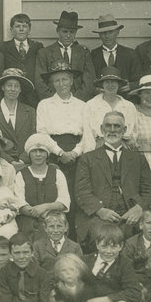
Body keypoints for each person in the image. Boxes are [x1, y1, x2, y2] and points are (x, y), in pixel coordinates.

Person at [74, 112, 151, 248]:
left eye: (117, 126)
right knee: (104, 235)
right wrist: (100, 210)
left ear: (124, 130)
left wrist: (139, 207)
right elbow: (82, 192)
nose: (112, 130)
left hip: (131, 212)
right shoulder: (87, 159)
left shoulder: (138, 159)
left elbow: (150, 190)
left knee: (145, 233)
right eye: (108, 126)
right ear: (101, 129)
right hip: (98, 215)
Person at [35, 62, 96, 216]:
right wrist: (60, 153)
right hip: (53, 153)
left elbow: (87, 134)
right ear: (52, 83)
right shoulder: (45, 105)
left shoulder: (83, 106)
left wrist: (75, 153)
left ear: (72, 80)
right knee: (55, 192)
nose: (61, 84)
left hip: (77, 154)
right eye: (57, 80)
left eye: (65, 79)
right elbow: (42, 133)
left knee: (77, 192)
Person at [81, 222, 142, 302]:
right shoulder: (86, 261)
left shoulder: (124, 264)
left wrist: (107, 299)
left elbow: (134, 292)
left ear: (121, 246)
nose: (109, 251)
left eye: (114, 247)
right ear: (97, 245)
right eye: (104, 246)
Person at [15, 134, 71, 237]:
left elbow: (64, 201)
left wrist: (46, 208)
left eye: (41, 151)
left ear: (47, 154)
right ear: (29, 154)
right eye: (34, 151)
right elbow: (20, 204)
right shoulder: (21, 175)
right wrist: (38, 213)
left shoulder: (57, 173)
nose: (38, 154)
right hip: (28, 221)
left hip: (54, 219)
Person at [0, 233, 51, 302]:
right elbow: (5, 301)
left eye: (25, 252)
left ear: (32, 253)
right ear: (10, 255)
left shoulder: (42, 274)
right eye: (17, 253)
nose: (21, 257)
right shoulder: (4, 273)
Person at [35, 10, 96, 100]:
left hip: (78, 101)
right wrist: (54, 101)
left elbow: (89, 81)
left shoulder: (83, 52)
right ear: (58, 31)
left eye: (72, 32)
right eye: (65, 31)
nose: (68, 35)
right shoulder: (44, 53)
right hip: (53, 101)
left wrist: (76, 100)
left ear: (75, 33)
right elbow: (39, 81)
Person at [0, 13, 43, 106]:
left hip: (33, 95)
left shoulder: (37, 46)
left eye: (24, 26)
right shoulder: (3, 47)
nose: (21, 29)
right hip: (12, 94)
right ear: (11, 30)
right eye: (17, 26)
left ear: (29, 30)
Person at [0, 68, 37, 164]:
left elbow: (34, 137)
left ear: (20, 89)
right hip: (1, 163)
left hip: (26, 163)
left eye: (16, 86)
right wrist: (10, 161)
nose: (12, 89)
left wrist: (23, 159)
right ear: (3, 87)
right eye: (9, 85)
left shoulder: (30, 112)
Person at [86, 67, 138, 147]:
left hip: (123, 148)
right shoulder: (91, 105)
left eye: (114, 82)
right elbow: (88, 135)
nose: (110, 85)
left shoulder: (129, 106)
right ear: (102, 84)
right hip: (98, 149)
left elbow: (134, 133)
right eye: (107, 82)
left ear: (118, 84)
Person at [90, 14, 140, 85]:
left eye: (110, 32)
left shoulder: (130, 54)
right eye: (103, 33)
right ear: (99, 35)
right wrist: (96, 89)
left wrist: (131, 86)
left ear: (117, 32)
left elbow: (138, 78)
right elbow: (90, 79)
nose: (107, 36)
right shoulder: (93, 55)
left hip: (125, 95)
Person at [31, 210, 83, 274]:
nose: (55, 230)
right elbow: (35, 270)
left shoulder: (75, 247)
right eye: (51, 226)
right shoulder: (38, 246)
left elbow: (79, 270)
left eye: (59, 226)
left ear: (66, 227)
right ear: (45, 228)